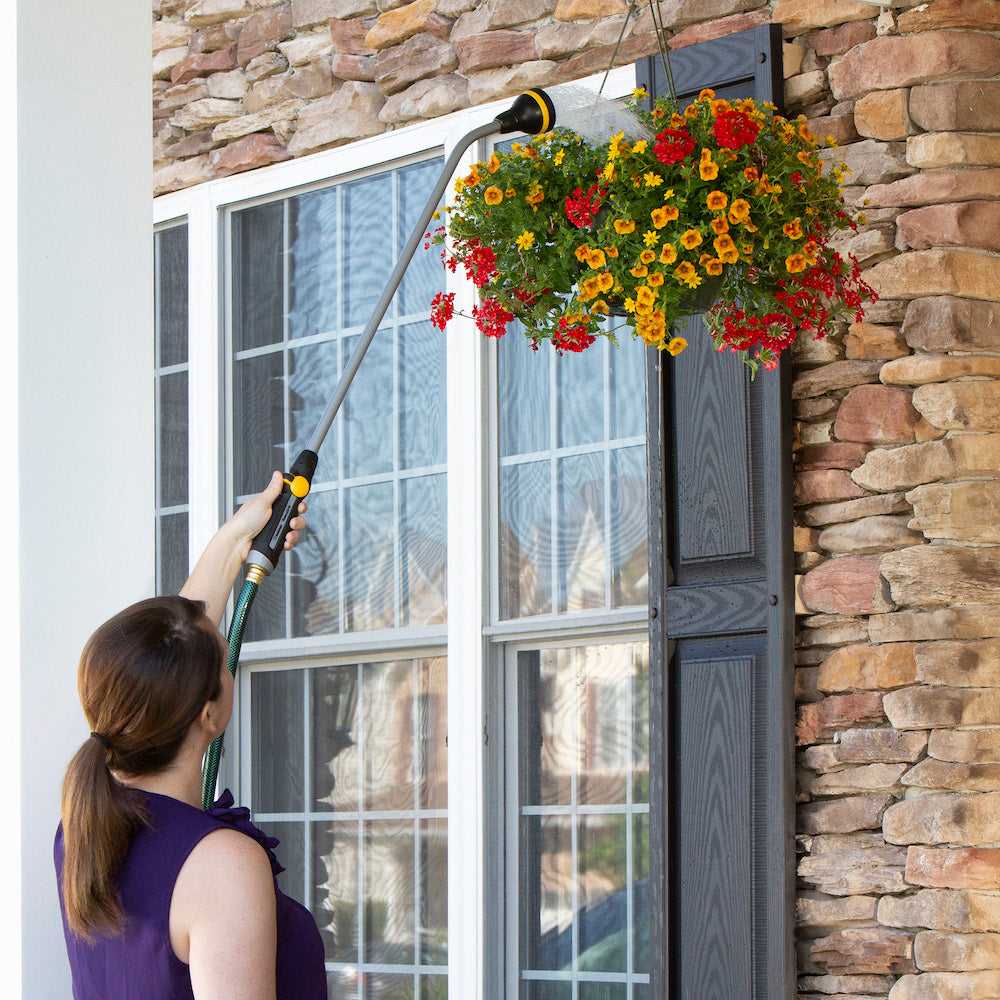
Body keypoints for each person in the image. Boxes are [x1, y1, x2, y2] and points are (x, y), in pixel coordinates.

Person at [54, 472, 327, 1000]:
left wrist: (235, 539)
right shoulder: (220, 865)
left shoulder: (83, 828)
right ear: (208, 714)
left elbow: (167, 650)